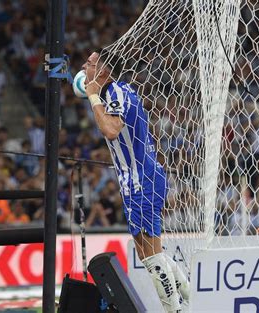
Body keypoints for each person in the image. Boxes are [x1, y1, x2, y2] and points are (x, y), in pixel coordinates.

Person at [83, 50, 189, 312]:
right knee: (150, 253)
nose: (84, 66)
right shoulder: (118, 90)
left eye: (90, 63)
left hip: (142, 180)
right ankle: (188, 299)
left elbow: (110, 129)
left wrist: (92, 94)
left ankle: (175, 310)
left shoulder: (114, 93)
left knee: (151, 255)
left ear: (104, 71)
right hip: (139, 179)